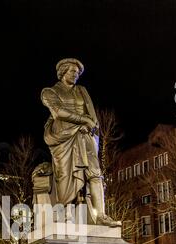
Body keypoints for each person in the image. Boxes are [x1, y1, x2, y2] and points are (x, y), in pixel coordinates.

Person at [41, 58, 120, 227]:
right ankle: (66, 214)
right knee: (65, 175)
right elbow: (58, 112)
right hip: (64, 138)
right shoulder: (49, 92)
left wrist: (91, 126)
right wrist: (83, 120)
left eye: (77, 73)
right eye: (72, 71)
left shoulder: (82, 90)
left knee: (95, 173)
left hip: (86, 136)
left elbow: (93, 115)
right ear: (63, 72)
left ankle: (101, 216)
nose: (76, 75)